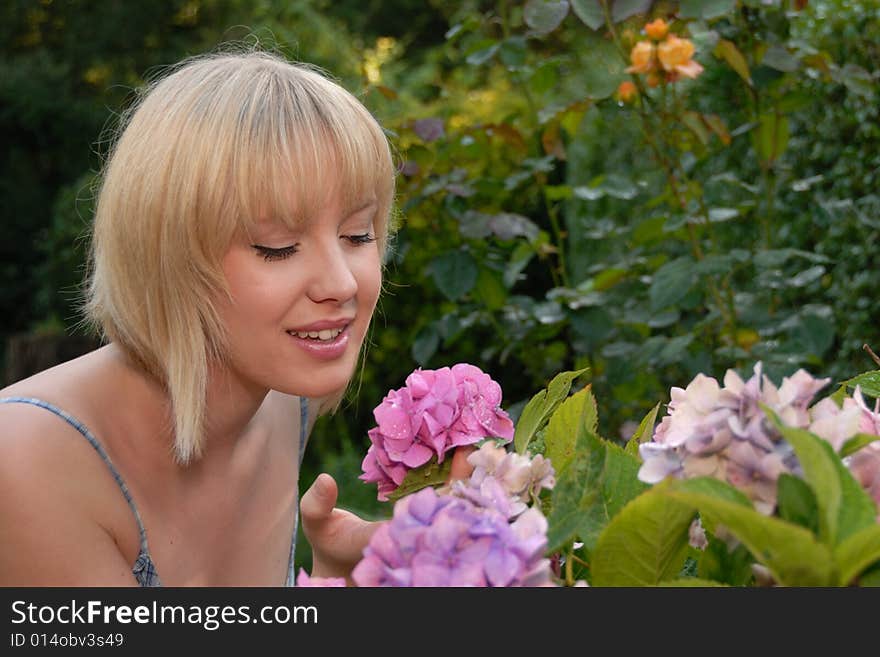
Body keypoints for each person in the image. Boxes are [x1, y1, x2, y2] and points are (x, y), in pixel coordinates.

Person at [0, 49, 419, 586]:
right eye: (278, 246)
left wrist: (342, 575)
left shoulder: (286, 402)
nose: (341, 284)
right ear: (167, 257)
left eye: (359, 234)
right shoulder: (29, 464)